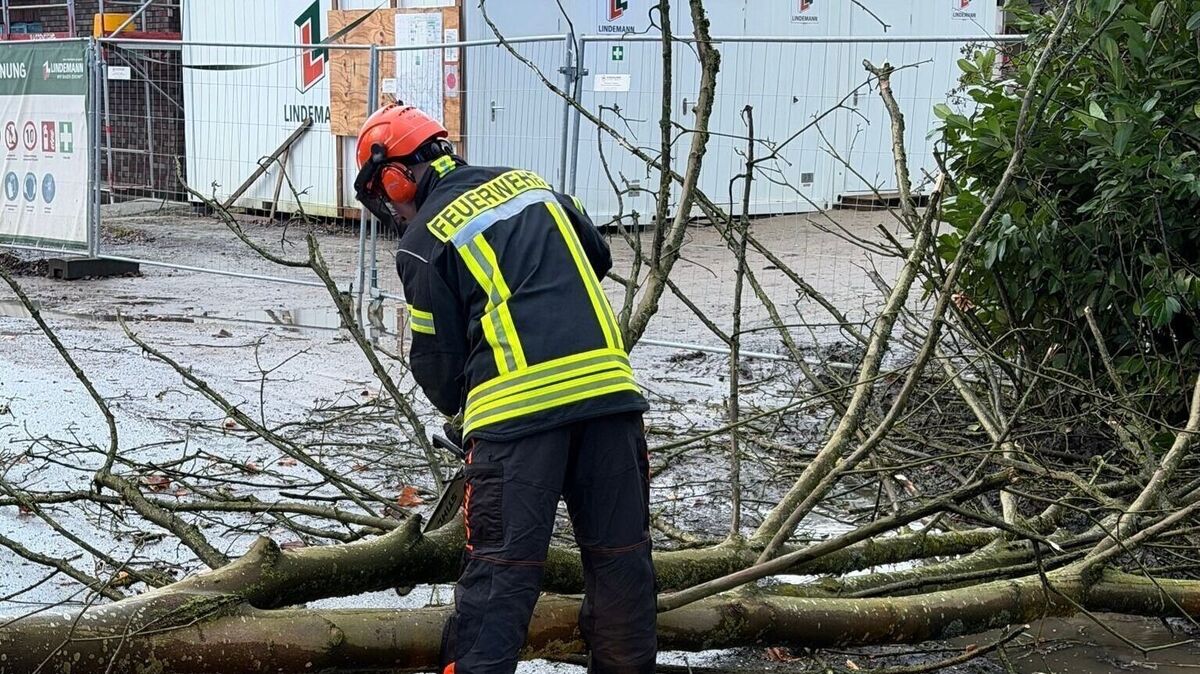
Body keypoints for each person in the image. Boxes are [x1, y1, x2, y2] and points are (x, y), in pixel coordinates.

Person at [354, 103, 657, 674]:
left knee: (500, 577)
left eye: (384, 194)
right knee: (622, 564)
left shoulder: (423, 239)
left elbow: (439, 365)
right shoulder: (533, 187)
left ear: (395, 177)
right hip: (610, 400)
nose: (390, 207)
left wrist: (462, 412)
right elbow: (596, 256)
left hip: (516, 421)